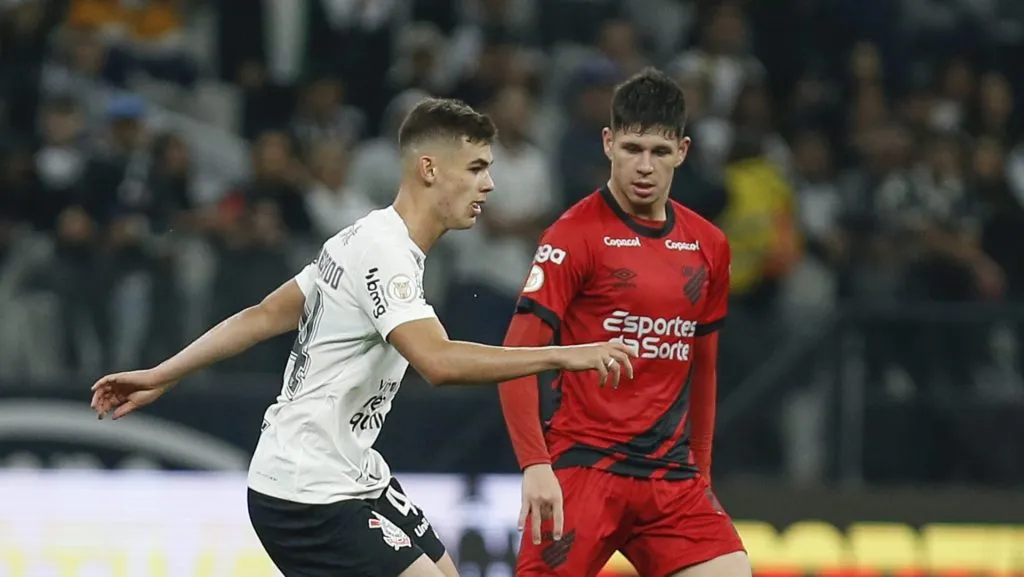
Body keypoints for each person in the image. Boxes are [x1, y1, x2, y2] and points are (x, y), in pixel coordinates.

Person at [89, 98, 637, 577]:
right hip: (307, 493)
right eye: (475, 168)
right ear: (429, 168)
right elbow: (438, 362)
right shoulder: (386, 253)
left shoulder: (363, 234)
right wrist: (568, 354)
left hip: (350, 474)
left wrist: (161, 374)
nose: (488, 184)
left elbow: (261, 316)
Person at [498, 69, 751, 577]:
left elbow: (704, 370)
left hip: (670, 477)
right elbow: (515, 359)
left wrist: (700, 471)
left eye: (659, 152)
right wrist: (535, 464)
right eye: (633, 148)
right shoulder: (573, 235)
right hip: (585, 467)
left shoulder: (709, 246)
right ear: (609, 143)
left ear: (682, 150)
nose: (644, 166)